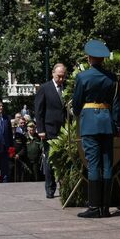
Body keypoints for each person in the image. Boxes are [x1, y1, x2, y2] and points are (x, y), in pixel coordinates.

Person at [73, 40, 120, 218]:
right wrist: (117, 125)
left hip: (90, 123)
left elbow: (77, 102)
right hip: (107, 122)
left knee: (93, 164)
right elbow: (116, 104)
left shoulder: (83, 77)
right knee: (107, 164)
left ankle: (94, 207)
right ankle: (105, 208)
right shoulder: (112, 78)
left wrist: (78, 112)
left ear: (89, 57)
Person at [34, 63, 67, 198]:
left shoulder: (66, 88)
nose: (61, 79)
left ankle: (65, 186)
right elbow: (38, 110)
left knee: (64, 159)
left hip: (64, 130)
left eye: (63, 77)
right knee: (50, 159)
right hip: (49, 130)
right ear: (53, 74)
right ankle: (50, 188)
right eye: (59, 76)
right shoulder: (44, 88)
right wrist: (41, 130)